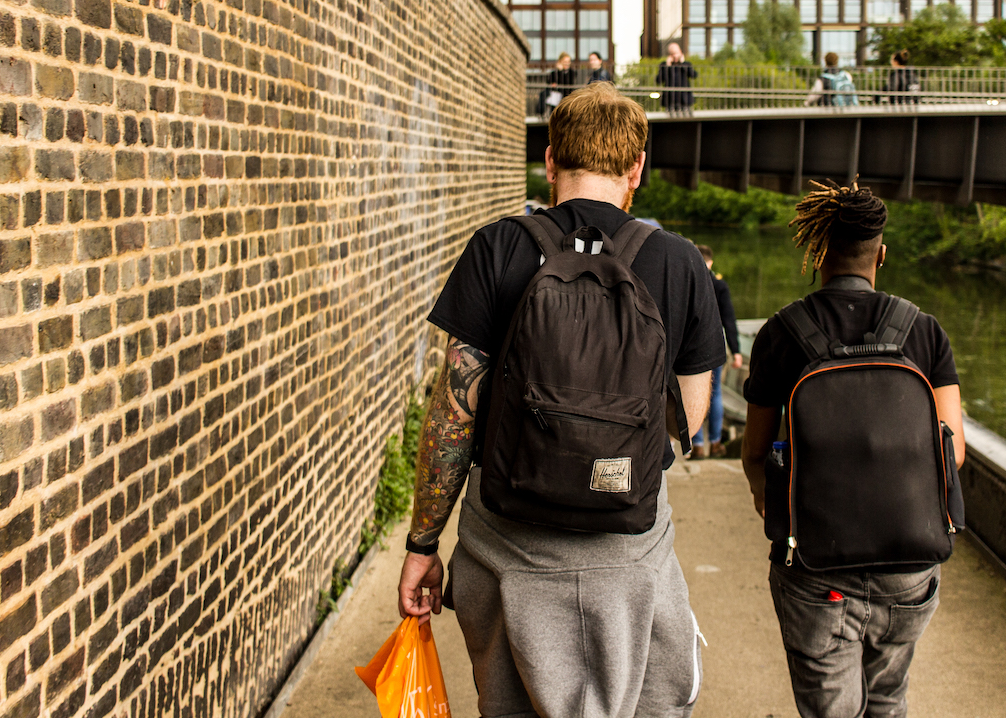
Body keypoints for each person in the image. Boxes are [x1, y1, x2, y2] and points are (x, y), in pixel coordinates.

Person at [399, 82, 725, 718]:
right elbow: (684, 420)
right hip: (627, 549)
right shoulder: (680, 263)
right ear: (638, 171)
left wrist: (421, 545)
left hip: (506, 550)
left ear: (549, 162)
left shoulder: (497, 247)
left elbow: (453, 413)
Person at [740, 181, 965, 718]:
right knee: (888, 700)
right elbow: (951, 452)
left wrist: (774, 505)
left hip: (817, 573)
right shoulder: (924, 331)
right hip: (909, 572)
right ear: (880, 255)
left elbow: (754, 454)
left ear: (818, 251)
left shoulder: (780, 334)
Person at [691, 244, 744, 459]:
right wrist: (737, 351)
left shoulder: (689, 281)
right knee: (716, 395)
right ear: (711, 262)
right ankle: (715, 444)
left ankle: (697, 446)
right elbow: (729, 320)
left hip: (692, 345)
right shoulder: (719, 285)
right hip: (715, 344)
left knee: (693, 393)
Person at [658, 41, 699, 114]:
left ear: (680, 52)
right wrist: (667, 66)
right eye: (672, 54)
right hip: (670, 100)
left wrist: (683, 64)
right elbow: (659, 80)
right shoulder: (664, 65)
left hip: (684, 100)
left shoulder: (686, 64)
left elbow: (694, 75)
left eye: (676, 53)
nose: (675, 56)